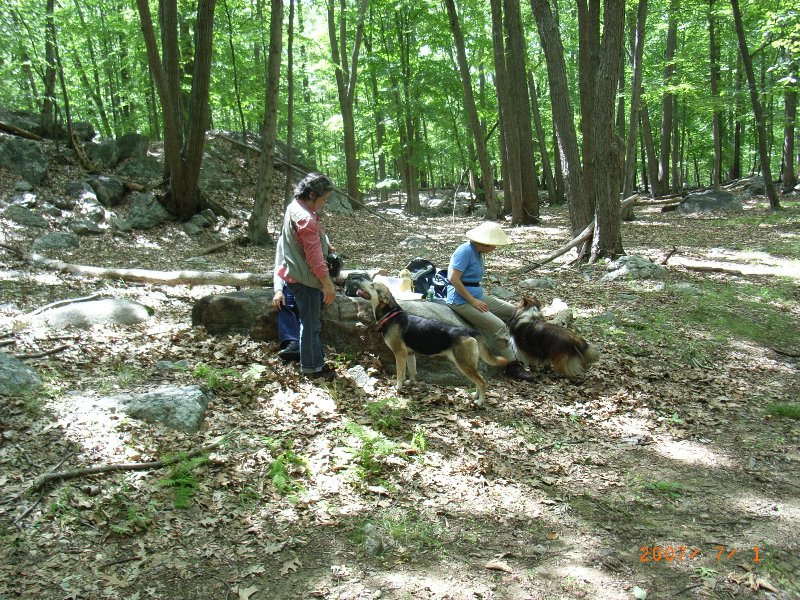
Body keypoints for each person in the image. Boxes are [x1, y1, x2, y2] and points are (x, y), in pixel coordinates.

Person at [446, 221, 536, 381]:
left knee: (515, 312)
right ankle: (512, 366)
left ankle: (526, 349)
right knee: (499, 326)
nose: (495, 248)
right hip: (460, 300)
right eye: (494, 244)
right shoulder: (464, 251)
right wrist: (473, 301)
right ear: (485, 243)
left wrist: (477, 298)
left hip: (477, 295)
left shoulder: (478, 253)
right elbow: (453, 278)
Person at [274, 172, 338, 382]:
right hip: (306, 280)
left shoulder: (295, 207)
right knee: (311, 325)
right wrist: (327, 284)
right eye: (323, 199)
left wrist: (324, 243)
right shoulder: (305, 218)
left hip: (295, 275)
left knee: (309, 323)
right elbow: (315, 259)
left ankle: (313, 364)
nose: (324, 203)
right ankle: (312, 370)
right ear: (311, 194)